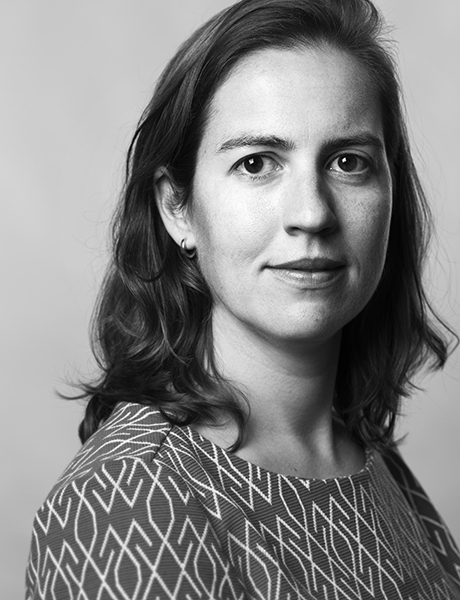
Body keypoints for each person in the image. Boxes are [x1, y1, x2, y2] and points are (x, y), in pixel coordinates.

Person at [26, 0, 460, 598]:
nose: (312, 214)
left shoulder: (369, 459)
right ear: (178, 207)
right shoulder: (127, 503)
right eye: (257, 163)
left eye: (348, 162)